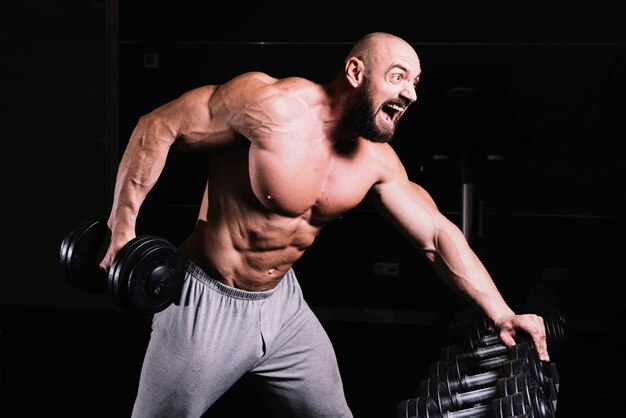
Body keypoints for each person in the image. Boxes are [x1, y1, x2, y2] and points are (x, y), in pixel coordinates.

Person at [99, 32, 550, 418]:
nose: (411, 94)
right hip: (206, 304)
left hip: (284, 309)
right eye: (397, 76)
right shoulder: (270, 106)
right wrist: (123, 229)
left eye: (415, 83)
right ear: (355, 72)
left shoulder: (377, 162)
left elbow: (435, 235)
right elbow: (158, 127)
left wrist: (501, 312)